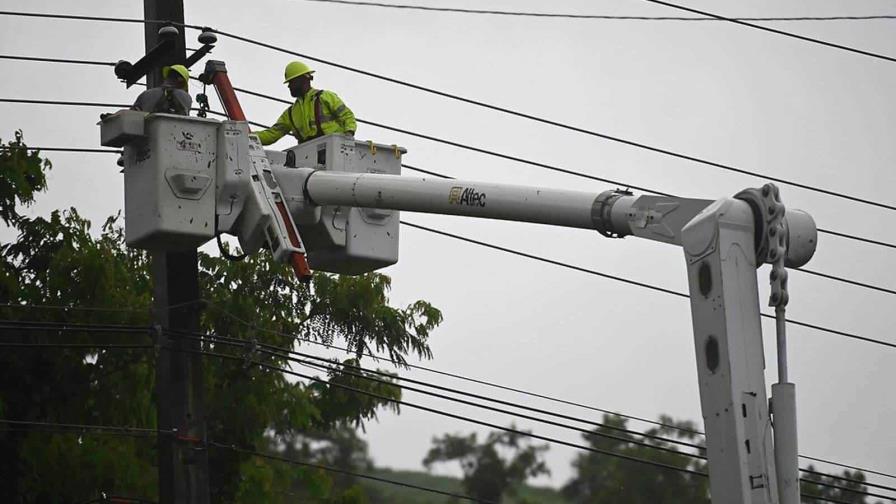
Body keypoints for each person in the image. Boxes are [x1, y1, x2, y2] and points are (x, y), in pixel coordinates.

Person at [255, 61, 356, 146]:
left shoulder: (325, 97)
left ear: (303, 79)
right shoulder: (290, 113)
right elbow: (272, 134)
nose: (289, 86)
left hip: (335, 150)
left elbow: (347, 116)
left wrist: (348, 136)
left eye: (292, 82)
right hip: (309, 157)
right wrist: (248, 136)